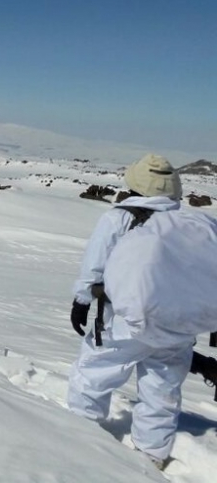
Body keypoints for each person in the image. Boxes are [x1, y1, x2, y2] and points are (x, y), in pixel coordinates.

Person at [67, 153, 217, 470]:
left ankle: (78, 440)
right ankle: (152, 456)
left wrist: (81, 301)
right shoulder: (193, 223)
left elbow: (94, 268)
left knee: (93, 376)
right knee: (161, 391)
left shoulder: (118, 218)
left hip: (123, 324)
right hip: (178, 326)